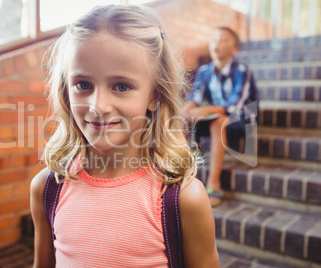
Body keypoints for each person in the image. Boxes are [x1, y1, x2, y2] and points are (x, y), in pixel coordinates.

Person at [31, 5, 219, 268]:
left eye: (121, 86)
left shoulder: (183, 200)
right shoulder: (48, 188)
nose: (99, 105)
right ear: (65, 91)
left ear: (155, 95)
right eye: (83, 85)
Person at [184, 26, 258, 207]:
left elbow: (234, 106)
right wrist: (185, 111)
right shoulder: (204, 71)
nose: (217, 42)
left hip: (240, 122)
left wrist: (204, 110)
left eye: (223, 39)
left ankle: (213, 182)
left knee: (218, 121)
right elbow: (195, 97)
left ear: (235, 49)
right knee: (182, 117)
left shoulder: (242, 71)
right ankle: (181, 174)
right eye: (214, 39)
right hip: (214, 118)